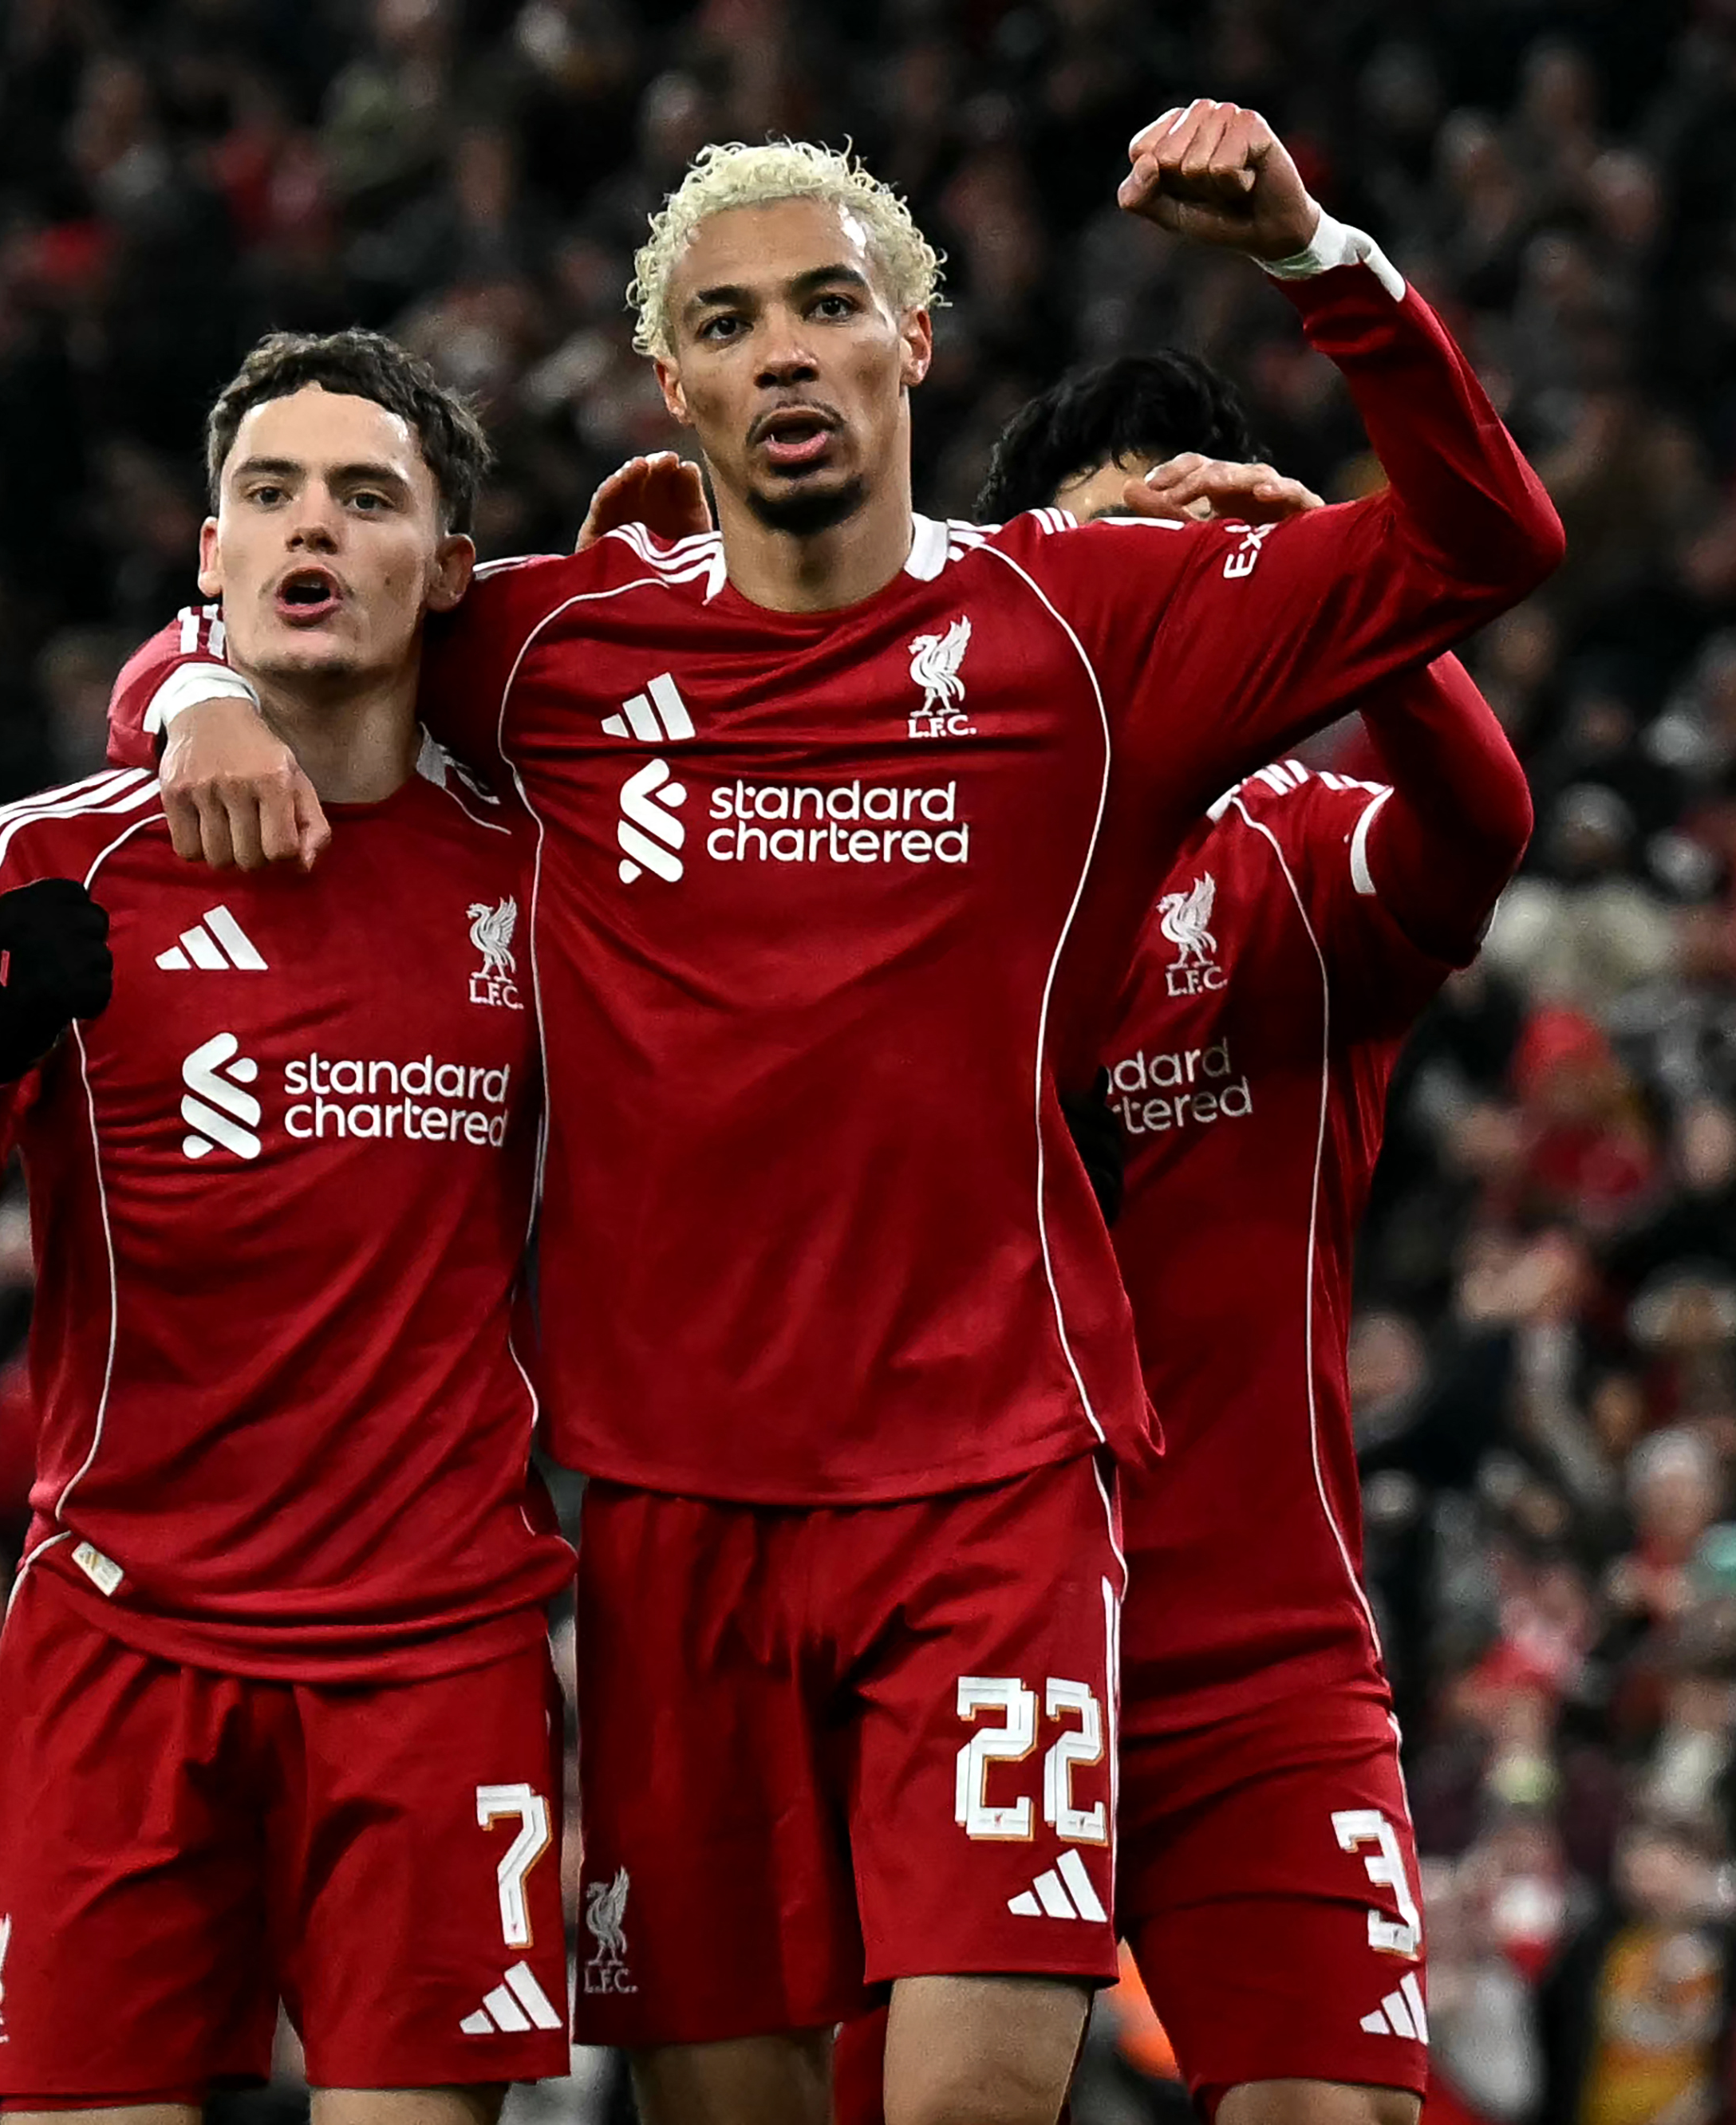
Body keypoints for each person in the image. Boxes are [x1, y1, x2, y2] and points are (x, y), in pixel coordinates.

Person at [112, 104, 1564, 2125]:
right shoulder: (551, 650)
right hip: (669, 1518)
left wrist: (1315, 255)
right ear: (671, 380)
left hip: (991, 1493)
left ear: (911, 343)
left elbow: (1486, 543)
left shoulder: (1075, 622)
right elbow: (291, 616)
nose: (782, 349)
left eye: (827, 306)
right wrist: (183, 693)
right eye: (730, 322)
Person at [0, 329, 574, 2125]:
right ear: (208, 555)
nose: (310, 527)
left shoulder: (542, 874)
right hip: (121, 1638)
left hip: (437, 1653)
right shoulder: (41, 859)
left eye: (366, 495)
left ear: (447, 569)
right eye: (268, 494)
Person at [827, 353, 1534, 2125]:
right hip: (952, 1627)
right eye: (1106, 546)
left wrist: (1360, 600)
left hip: (1256, 1650)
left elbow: (1482, 829)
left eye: (1195, 543)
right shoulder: (892, 858)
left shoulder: (1299, 858)